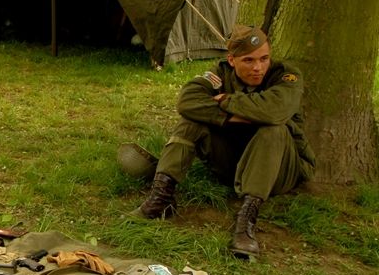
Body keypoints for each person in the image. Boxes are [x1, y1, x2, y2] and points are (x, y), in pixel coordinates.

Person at [135, 25, 316, 258]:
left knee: (274, 129)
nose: (258, 67)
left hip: (280, 169)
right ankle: (161, 199)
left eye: (264, 58)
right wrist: (235, 117)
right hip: (234, 162)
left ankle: (246, 222)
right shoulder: (219, 74)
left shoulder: (285, 75)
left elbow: (275, 110)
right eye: (249, 60)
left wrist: (228, 101)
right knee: (190, 122)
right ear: (231, 60)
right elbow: (188, 101)